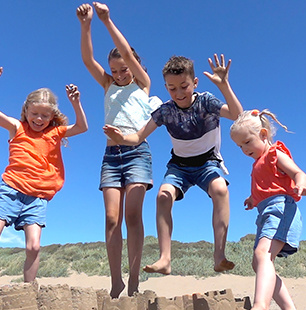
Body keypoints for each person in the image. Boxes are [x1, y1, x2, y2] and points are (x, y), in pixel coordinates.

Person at [104, 54, 242, 275]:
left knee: (220, 189)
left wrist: (224, 85)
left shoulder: (206, 101)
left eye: (183, 86)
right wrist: (121, 139)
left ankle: (219, 255)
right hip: (179, 165)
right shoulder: (166, 110)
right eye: (171, 88)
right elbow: (139, 137)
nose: (178, 93)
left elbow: (237, 115)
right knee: (163, 196)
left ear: (194, 83)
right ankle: (165, 259)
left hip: (207, 161)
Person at [0, 60, 88, 297]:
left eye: (45, 116)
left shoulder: (54, 133)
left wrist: (76, 103)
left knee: (34, 246)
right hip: (10, 190)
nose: (39, 119)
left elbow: (82, 127)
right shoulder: (17, 128)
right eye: (35, 114)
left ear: (52, 117)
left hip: (37, 198)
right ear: (26, 111)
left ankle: (29, 292)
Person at [76, 2, 160, 298]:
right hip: (111, 158)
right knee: (112, 219)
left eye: (124, 68)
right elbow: (88, 60)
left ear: (134, 66)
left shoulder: (143, 85)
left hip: (138, 154)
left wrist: (107, 21)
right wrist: (86, 25)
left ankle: (134, 278)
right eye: (114, 70)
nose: (120, 73)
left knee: (133, 216)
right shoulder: (109, 85)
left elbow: (124, 51)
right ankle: (116, 280)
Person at [229, 109, 306, 310]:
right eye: (240, 146)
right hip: (265, 212)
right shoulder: (257, 163)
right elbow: (266, 186)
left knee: (263, 255)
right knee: (258, 262)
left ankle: (261, 307)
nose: (243, 149)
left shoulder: (275, 154)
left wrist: (302, 185)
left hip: (281, 209)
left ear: (264, 135)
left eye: (247, 142)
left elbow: (298, 172)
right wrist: (253, 199)